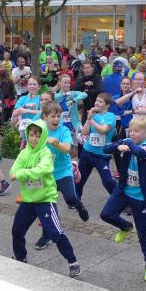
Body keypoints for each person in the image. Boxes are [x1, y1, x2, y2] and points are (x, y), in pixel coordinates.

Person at [10, 119, 81, 277]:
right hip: (28, 200)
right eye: (31, 135)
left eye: (37, 135)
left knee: (55, 232)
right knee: (17, 230)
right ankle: (21, 258)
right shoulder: (24, 153)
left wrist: (22, 173)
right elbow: (12, 171)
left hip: (45, 200)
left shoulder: (46, 153)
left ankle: (73, 262)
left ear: (42, 137)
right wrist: (20, 172)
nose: (34, 138)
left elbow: (42, 169)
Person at [100, 116, 146, 282]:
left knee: (144, 233)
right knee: (106, 214)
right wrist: (117, 145)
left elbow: (140, 152)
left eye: (136, 131)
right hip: (123, 190)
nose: (132, 134)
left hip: (140, 197)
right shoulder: (127, 141)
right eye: (130, 130)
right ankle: (125, 227)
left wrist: (128, 144)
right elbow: (106, 149)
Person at [34, 102, 89, 253]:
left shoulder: (63, 130)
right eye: (53, 116)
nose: (56, 119)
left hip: (63, 171)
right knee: (48, 206)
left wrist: (56, 143)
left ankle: (79, 205)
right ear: (45, 117)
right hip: (46, 173)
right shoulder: (39, 131)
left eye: (58, 116)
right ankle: (47, 235)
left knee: (70, 198)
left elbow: (66, 149)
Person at [76, 93, 117, 199]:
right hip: (87, 151)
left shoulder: (111, 116)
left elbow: (103, 130)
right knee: (79, 178)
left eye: (100, 101)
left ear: (107, 105)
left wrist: (91, 120)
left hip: (102, 154)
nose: (97, 103)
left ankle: (120, 200)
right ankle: (76, 200)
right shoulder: (93, 115)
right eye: (96, 100)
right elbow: (85, 133)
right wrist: (89, 118)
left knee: (108, 181)